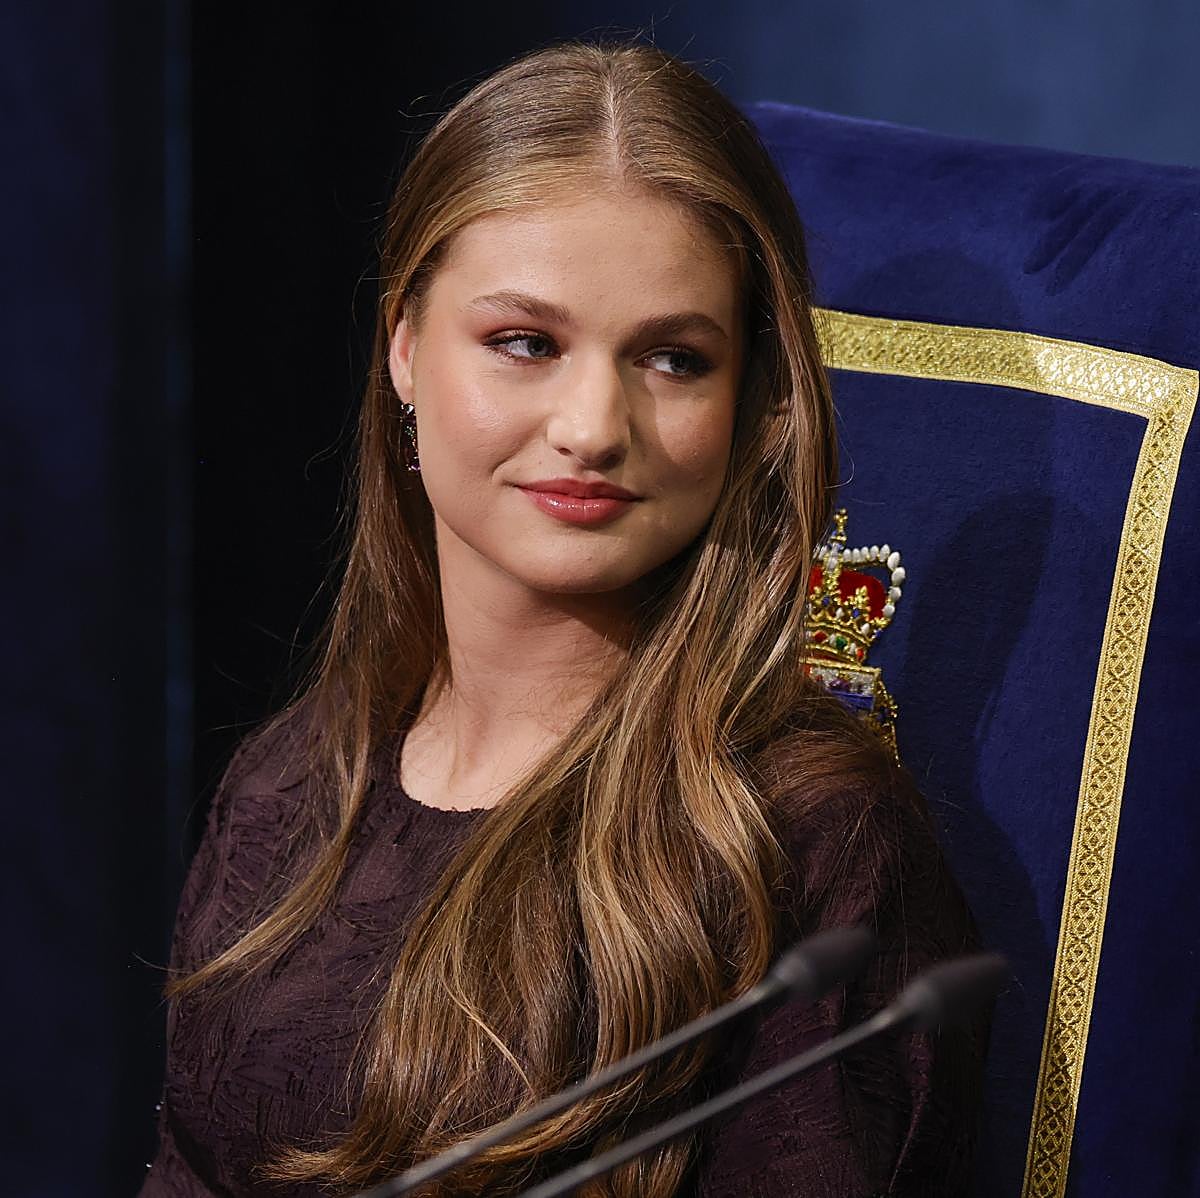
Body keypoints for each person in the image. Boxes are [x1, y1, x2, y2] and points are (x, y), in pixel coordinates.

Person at [139, 38, 988, 1198]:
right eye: (526, 343)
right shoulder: (287, 788)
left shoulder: (810, 846)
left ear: (749, 400)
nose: (593, 426)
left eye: (674, 360)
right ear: (403, 347)